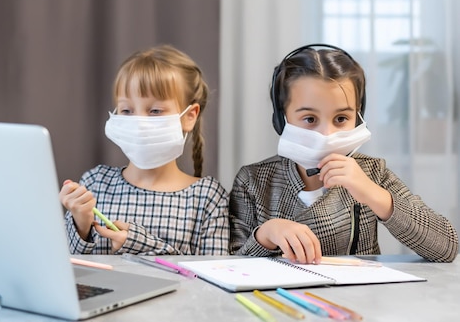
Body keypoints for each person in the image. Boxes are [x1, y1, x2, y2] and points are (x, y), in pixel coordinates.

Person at [229, 44, 458, 263]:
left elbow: (446, 247)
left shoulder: (372, 172)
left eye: (341, 119)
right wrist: (266, 234)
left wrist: (372, 193)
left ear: (358, 117)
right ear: (282, 119)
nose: (327, 134)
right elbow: (230, 266)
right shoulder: (253, 181)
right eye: (310, 119)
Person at [60, 44, 230, 255]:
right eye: (127, 110)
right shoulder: (95, 183)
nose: (139, 122)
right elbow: (68, 269)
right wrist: (80, 224)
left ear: (189, 116)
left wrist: (139, 244)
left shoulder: (207, 198)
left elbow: (212, 280)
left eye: (155, 110)